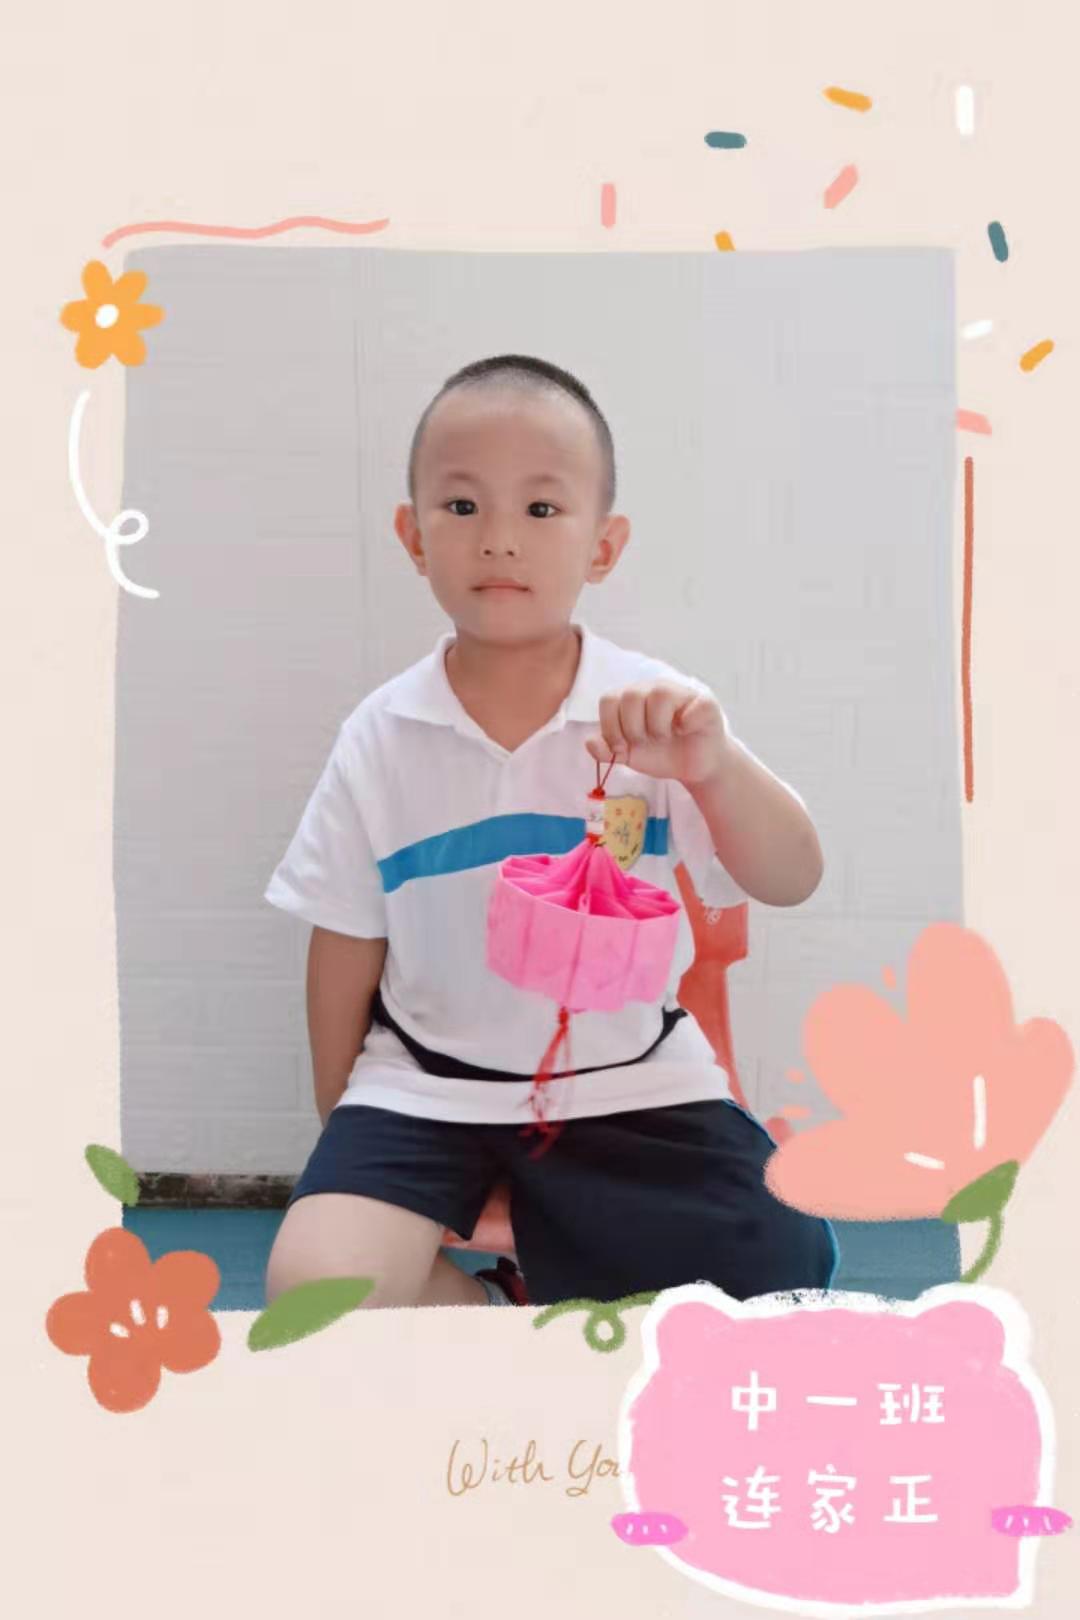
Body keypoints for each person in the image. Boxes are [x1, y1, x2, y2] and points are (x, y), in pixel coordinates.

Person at [263, 352, 838, 1310]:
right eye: (462, 507)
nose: (499, 540)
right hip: (422, 1090)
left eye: (540, 509)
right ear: (412, 536)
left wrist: (714, 766)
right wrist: (344, 1129)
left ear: (602, 546)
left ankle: (542, 1289)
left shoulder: (656, 714)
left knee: (782, 1262)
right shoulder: (381, 733)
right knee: (313, 1294)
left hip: (633, 1084)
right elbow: (344, 943)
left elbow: (794, 876)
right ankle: (493, 1311)